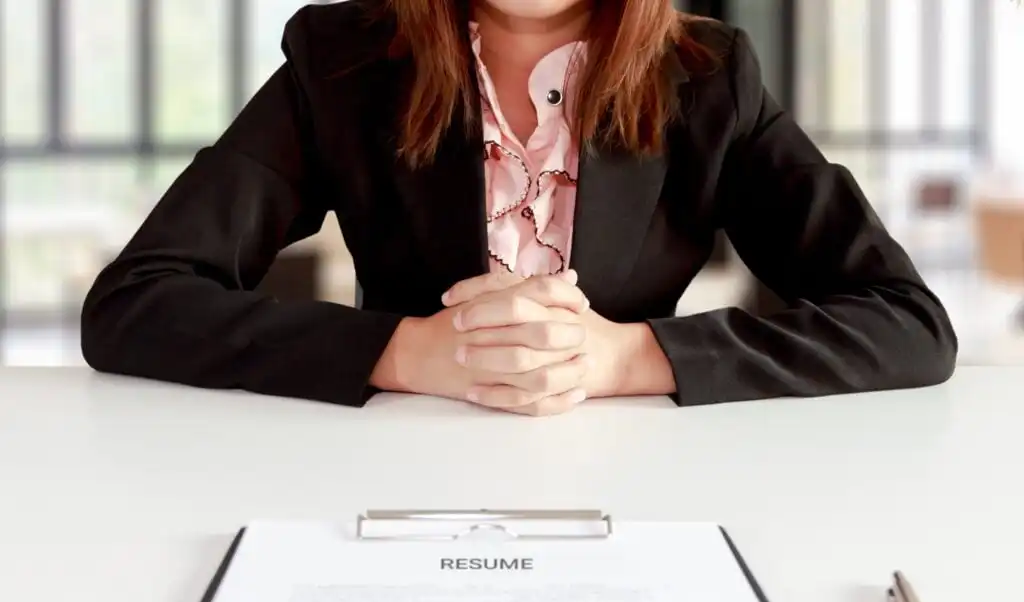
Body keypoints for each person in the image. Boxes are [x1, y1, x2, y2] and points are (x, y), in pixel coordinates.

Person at [80, 0, 957, 416]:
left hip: (639, 493)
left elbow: (906, 322)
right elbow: (136, 302)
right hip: (380, 482)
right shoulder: (342, 58)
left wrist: (625, 358)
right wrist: (403, 351)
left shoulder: (707, 75)